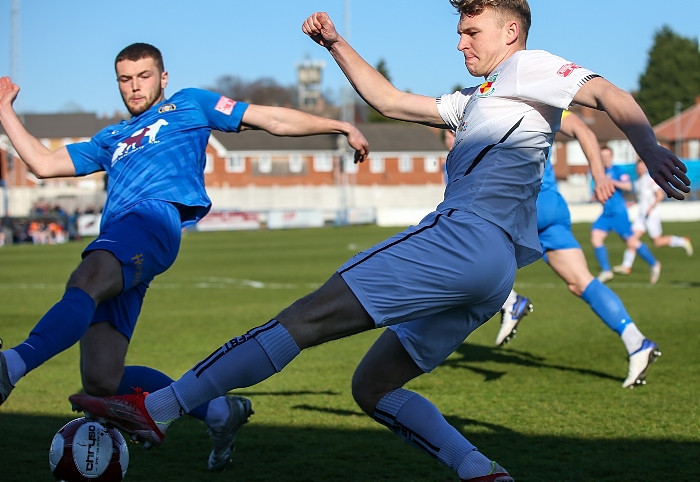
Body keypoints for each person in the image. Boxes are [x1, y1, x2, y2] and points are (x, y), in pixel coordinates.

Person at [69, 3, 690, 481]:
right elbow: (389, 100)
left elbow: (605, 93)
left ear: (511, 32)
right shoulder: (476, 99)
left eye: (473, 31)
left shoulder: (528, 67)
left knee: (302, 318)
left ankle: (163, 407)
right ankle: (480, 470)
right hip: (494, 268)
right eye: (460, 30)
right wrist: (337, 45)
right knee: (372, 387)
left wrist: (649, 146)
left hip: (463, 239)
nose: (461, 40)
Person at [0, 42, 369, 471]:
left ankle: (11, 365)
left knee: (86, 279)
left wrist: (338, 125)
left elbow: (268, 117)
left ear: (163, 77)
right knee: (102, 379)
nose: (134, 87)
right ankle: (218, 413)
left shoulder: (189, 105)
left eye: (143, 76)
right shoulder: (111, 139)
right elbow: (43, 164)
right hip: (121, 239)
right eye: (125, 79)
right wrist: (5, 109)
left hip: (152, 223)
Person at [494, 111, 662, 389]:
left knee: (470, 250)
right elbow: (583, 130)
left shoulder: (504, 102)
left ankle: (510, 302)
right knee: (580, 282)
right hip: (552, 205)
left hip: (530, 204)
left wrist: (600, 175)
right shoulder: (543, 103)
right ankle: (637, 343)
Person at [591, 146, 662, 284]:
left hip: (618, 213)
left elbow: (628, 186)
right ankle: (606, 270)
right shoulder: (600, 172)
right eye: (602, 156)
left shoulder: (617, 171)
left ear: (611, 157)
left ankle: (654, 263)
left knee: (632, 242)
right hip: (606, 213)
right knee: (595, 238)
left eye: (607, 156)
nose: (605, 159)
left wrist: (611, 181)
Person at [613, 159, 693, 274]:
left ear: (645, 168)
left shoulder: (650, 180)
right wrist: (633, 202)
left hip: (651, 215)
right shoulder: (637, 182)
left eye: (642, 167)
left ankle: (682, 241)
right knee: (632, 239)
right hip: (642, 216)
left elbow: (660, 195)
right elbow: (641, 198)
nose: (640, 169)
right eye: (638, 167)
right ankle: (627, 266)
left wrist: (651, 207)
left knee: (657, 242)